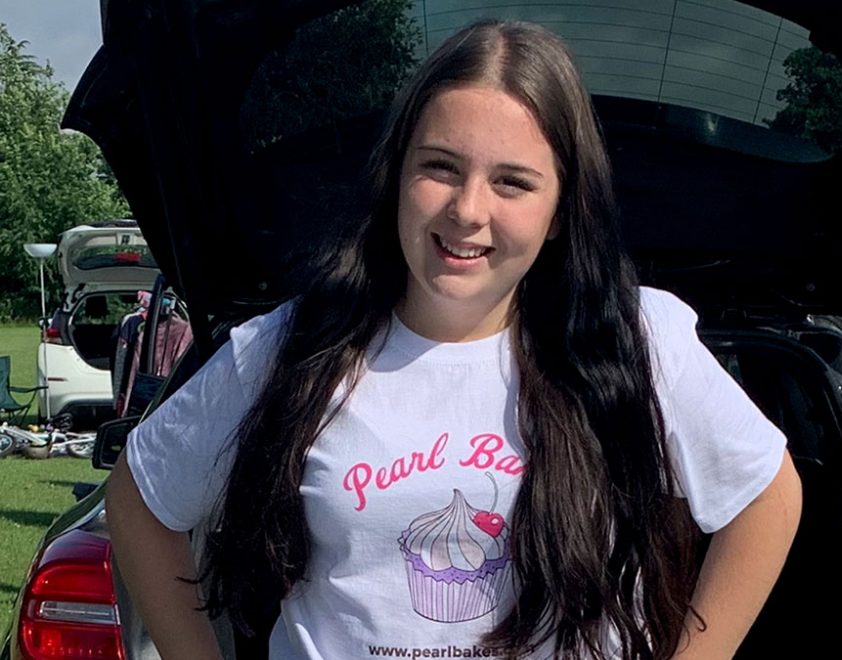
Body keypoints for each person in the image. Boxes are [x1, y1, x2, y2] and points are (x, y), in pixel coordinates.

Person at [105, 18, 802, 660]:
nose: (469, 211)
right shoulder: (293, 346)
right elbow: (140, 501)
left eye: (513, 182)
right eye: (440, 166)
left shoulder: (637, 338)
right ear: (398, 176)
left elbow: (767, 497)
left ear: (560, 211)